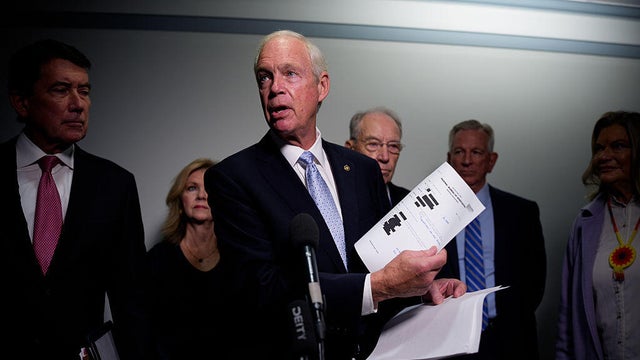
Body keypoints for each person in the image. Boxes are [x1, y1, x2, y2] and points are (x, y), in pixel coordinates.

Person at [204, 30, 466, 360]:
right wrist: (381, 286)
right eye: (264, 77)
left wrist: (419, 292)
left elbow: (377, 265)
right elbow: (261, 290)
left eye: (290, 73)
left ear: (322, 86)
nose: (275, 88)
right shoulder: (233, 178)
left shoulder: (362, 170)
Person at [0, 39, 150, 359]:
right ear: (21, 101)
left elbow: (132, 301)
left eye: (84, 91)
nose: (78, 104)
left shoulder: (115, 185)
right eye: (61, 89)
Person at [437, 119, 547, 359]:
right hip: (448, 341)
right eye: (459, 152)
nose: (467, 161)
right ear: (449, 159)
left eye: (476, 152)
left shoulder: (522, 212)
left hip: (512, 340)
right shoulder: (430, 217)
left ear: (491, 160)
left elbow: (535, 281)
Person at [556, 110, 640, 360]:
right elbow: (567, 317)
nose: (604, 156)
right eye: (599, 148)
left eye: (618, 146)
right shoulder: (585, 223)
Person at [147, 158, 233, 359]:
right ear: (180, 200)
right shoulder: (157, 260)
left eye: (209, 188)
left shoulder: (238, 258)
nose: (202, 195)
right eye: (192, 188)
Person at [345, 106, 410, 207]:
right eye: (373, 144)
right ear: (350, 148)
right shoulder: (333, 197)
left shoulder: (409, 202)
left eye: (393, 146)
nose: (385, 157)